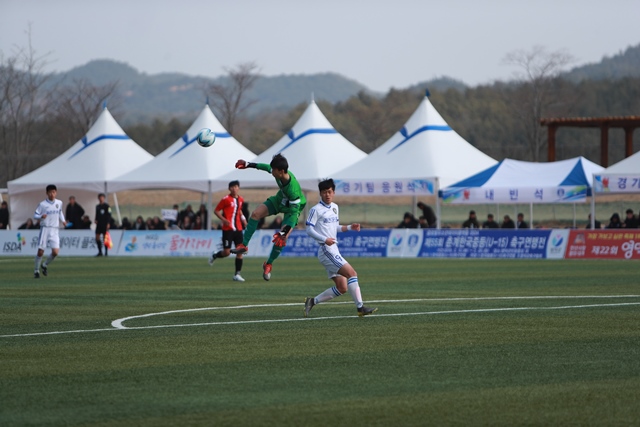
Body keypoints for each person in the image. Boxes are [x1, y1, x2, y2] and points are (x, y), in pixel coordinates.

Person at [303, 178, 377, 318]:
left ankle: (312, 301)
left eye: (329, 192)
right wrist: (325, 239)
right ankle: (360, 307)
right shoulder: (315, 210)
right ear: (320, 194)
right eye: (324, 192)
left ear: (334, 192)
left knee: (342, 287)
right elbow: (308, 230)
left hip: (333, 249)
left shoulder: (335, 207)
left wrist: (350, 227)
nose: (327, 195)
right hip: (326, 249)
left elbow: (334, 227)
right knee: (352, 273)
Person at [231, 154, 307, 281]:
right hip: (279, 201)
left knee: (281, 239)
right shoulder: (279, 172)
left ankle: (269, 263)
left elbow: (293, 215)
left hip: (291, 210)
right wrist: (248, 164)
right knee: (255, 214)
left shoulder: (293, 191)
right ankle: (244, 246)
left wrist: (284, 231)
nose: (272, 172)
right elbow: (266, 167)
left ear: (281, 171)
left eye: (274, 171)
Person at [209, 180, 247, 282]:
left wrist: (244, 220)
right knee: (227, 252)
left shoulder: (241, 199)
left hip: (238, 229)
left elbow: (239, 211)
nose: (234, 188)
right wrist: (223, 219)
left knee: (240, 251)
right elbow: (216, 210)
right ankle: (215, 255)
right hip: (228, 230)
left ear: (238, 188)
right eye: (232, 187)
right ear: (229, 189)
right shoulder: (225, 199)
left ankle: (237, 274)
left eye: (236, 186)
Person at [32, 185, 67, 278]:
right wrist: (40, 216)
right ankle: (36, 270)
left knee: (55, 252)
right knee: (40, 252)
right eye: (50, 192)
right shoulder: (42, 204)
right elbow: (35, 215)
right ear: (47, 193)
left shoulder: (59, 203)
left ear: (56, 192)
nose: (52, 194)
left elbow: (60, 212)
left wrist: (63, 220)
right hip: (45, 229)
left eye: (54, 192)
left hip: (55, 229)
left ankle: (44, 265)